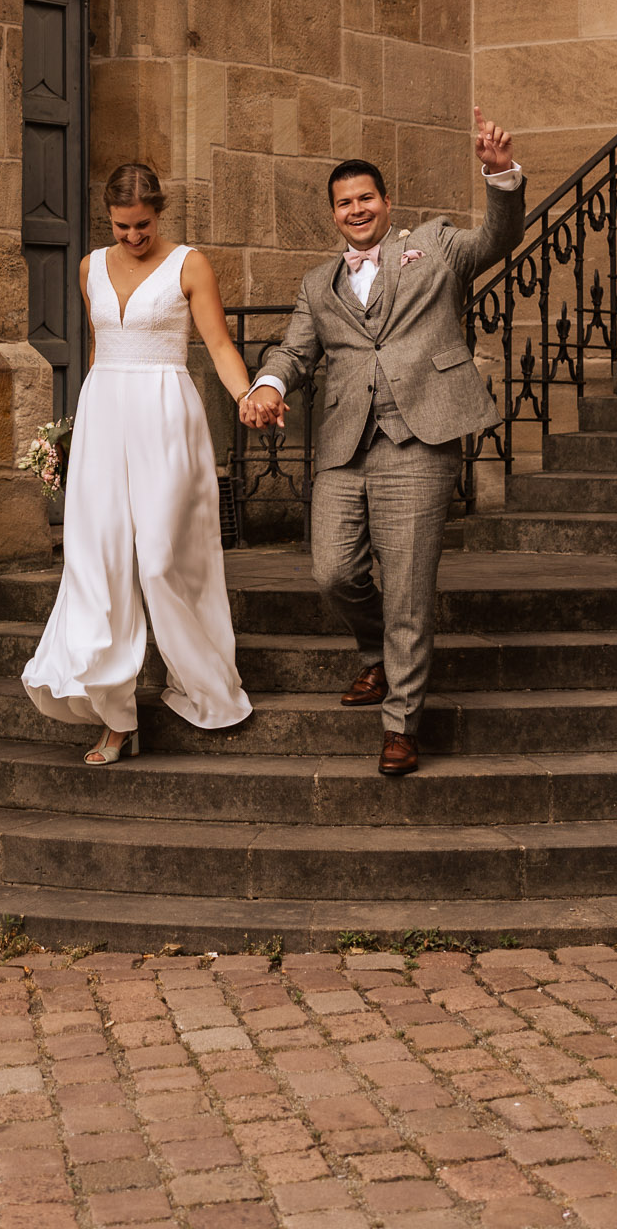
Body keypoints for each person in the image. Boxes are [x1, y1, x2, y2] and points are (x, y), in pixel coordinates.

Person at [239, 107, 524, 777]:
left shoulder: (435, 246)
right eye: (343, 203)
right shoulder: (318, 284)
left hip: (419, 440)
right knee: (332, 571)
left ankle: (400, 723)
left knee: (407, 589)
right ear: (332, 214)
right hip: (344, 444)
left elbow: (497, 238)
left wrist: (498, 175)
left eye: (365, 197)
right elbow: (294, 351)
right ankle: (375, 653)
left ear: (386, 203)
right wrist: (268, 386)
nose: (355, 209)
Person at [22, 161, 255, 764]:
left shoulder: (189, 264)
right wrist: (78, 432)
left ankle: (203, 680)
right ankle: (115, 718)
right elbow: (100, 349)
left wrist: (248, 394)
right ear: (109, 218)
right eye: (122, 227)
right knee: (95, 562)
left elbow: (220, 345)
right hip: (104, 416)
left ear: (160, 211)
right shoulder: (89, 266)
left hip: (165, 416)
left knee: (159, 557)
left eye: (143, 225)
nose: (132, 237)